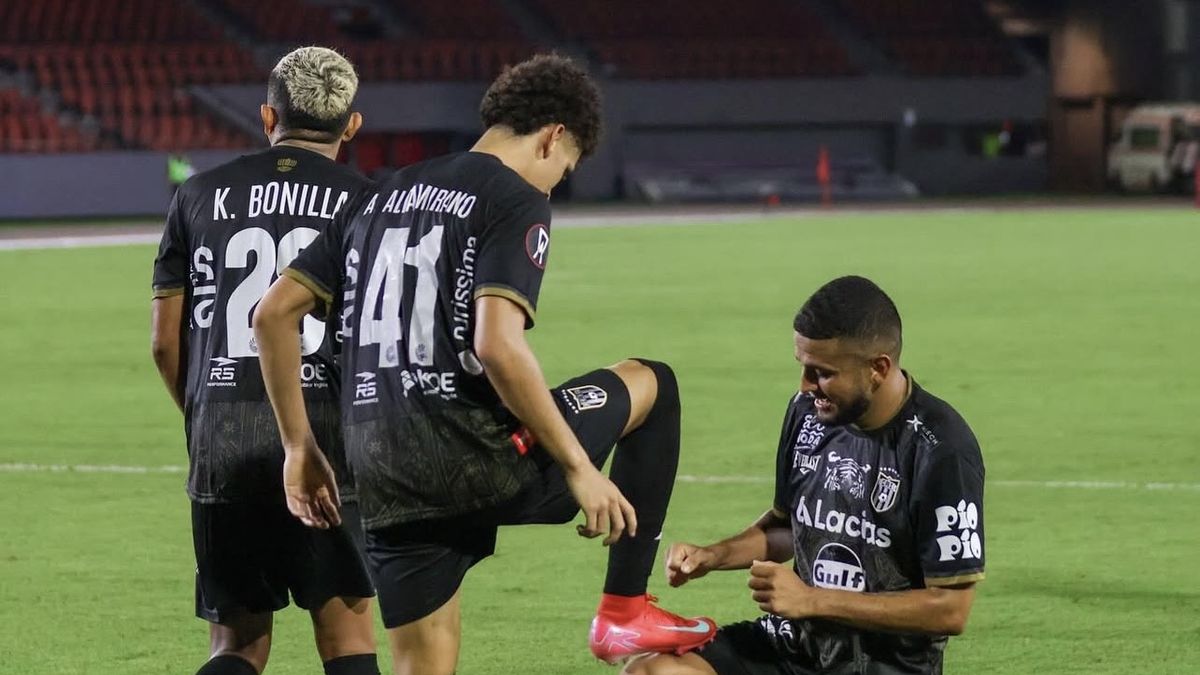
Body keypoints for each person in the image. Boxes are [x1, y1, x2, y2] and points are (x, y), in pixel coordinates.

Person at [251, 53, 716, 674]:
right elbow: (498, 344)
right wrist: (578, 467)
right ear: (553, 137)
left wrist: (300, 450)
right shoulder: (514, 196)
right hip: (476, 456)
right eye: (566, 169)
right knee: (653, 382)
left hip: (380, 467)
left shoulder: (382, 193)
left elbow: (271, 316)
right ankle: (625, 610)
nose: (556, 184)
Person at [149, 46, 380, 675]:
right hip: (330, 432)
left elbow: (165, 343)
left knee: (238, 644)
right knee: (347, 637)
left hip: (222, 431)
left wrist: (203, 415)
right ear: (351, 125)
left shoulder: (196, 195)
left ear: (265, 116)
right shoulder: (369, 202)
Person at [624, 276, 985, 675]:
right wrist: (714, 555)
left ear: (878, 368)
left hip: (881, 665)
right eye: (803, 367)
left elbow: (951, 609)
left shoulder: (941, 448)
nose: (806, 386)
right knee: (650, 669)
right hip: (794, 647)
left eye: (822, 373)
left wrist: (812, 600)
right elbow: (787, 528)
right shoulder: (808, 413)